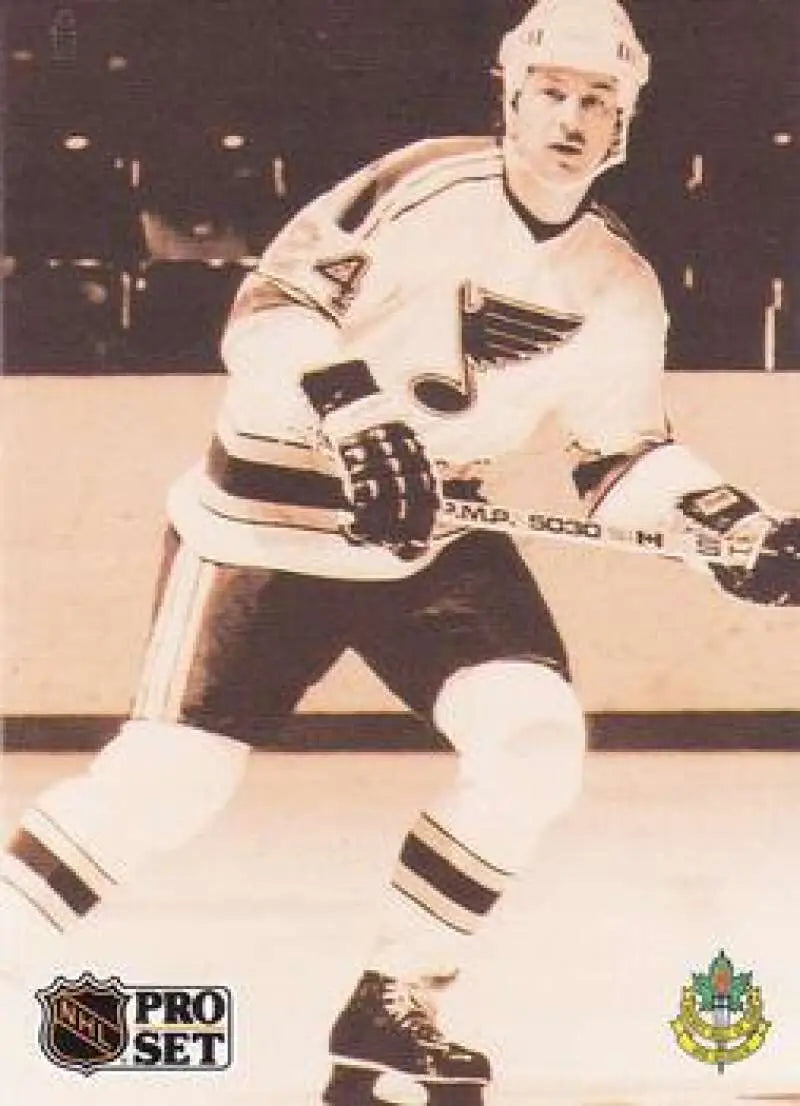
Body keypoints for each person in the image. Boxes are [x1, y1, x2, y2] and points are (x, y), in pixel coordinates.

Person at [2, 0, 799, 1102]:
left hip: (432, 537)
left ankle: (396, 995)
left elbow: (617, 457)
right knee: (166, 782)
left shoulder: (618, 283)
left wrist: (729, 525)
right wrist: (356, 415)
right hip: (267, 523)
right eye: (550, 92)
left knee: (531, 739)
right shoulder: (420, 184)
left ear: (623, 127)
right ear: (509, 98)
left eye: (596, 101)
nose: (569, 117)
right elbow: (268, 310)